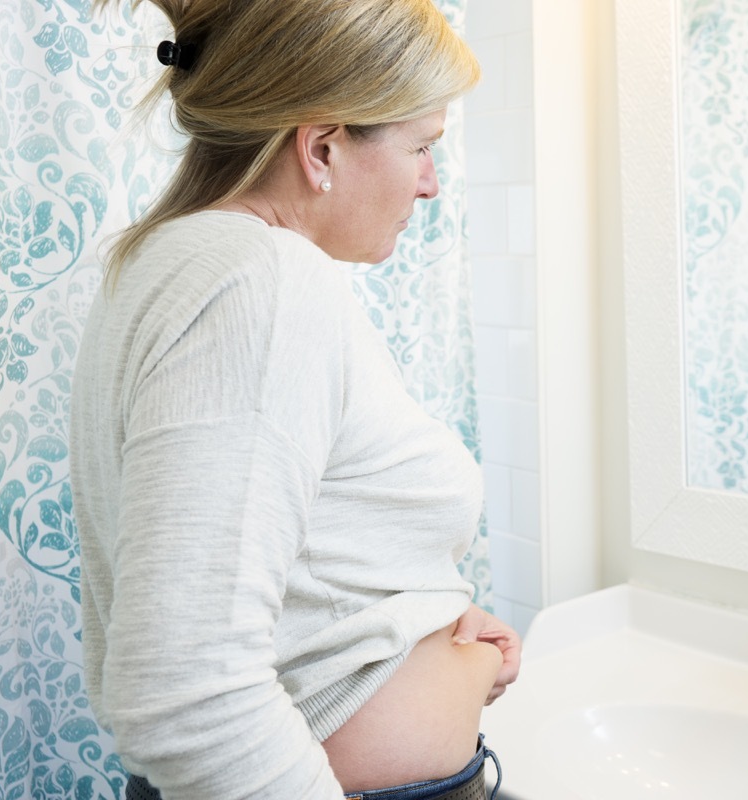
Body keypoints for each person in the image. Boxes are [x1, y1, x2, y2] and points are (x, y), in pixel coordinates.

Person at [68, 1, 520, 798]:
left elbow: (273, 561)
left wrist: (418, 618)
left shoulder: (166, 262)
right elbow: (184, 696)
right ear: (321, 148)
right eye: (421, 146)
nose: (430, 185)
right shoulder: (263, 281)